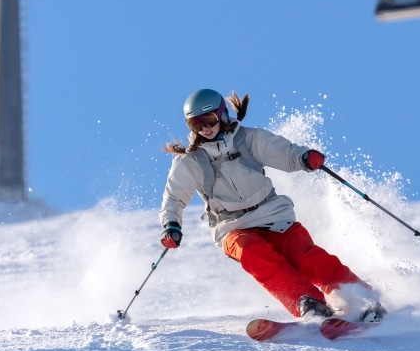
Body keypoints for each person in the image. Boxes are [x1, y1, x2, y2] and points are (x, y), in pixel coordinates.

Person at [158, 89, 386, 322]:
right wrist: (171, 225)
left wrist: (304, 157)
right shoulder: (189, 161)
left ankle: (363, 298)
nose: (205, 128)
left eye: (209, 120)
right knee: (254, 255)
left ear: (222, 115)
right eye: (196, 124)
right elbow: (174, 198)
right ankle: (307, 302)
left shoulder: (249, 139)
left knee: (305, 257)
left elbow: (283, 152)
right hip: (231, 226)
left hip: (272, 214)